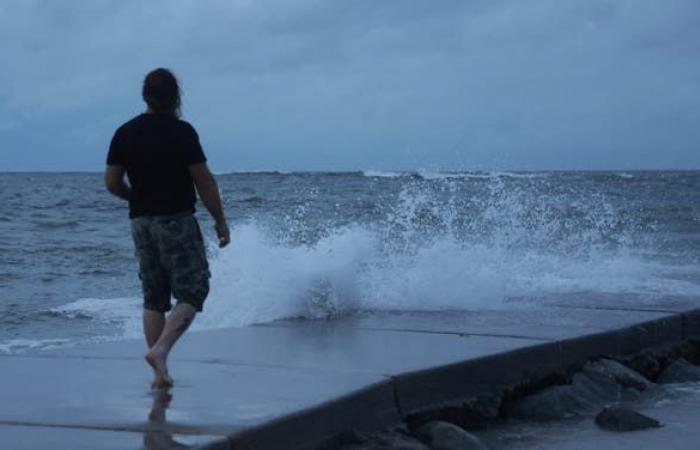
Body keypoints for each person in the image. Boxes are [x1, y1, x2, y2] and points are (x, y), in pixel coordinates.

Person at [104, 68, 230, 389]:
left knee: (153, 296)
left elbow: (112, 183)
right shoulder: (181, 132)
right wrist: (219, 221)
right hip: (176, 219)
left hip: (140, 222)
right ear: (175, 97)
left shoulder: (124, 133)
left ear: (145, 95)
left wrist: (135, 197)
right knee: (194, 288)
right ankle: (160, 350)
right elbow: (204, 181)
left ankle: (159, 371)